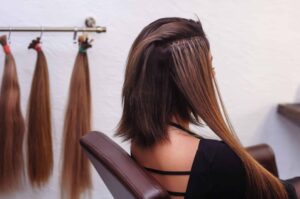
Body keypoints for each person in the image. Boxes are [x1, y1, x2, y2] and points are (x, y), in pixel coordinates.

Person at [115, 17, 298, 199]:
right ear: (189, 81)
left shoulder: (140, 142)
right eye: (208, 66)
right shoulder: (216, 159)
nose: (212, 74)